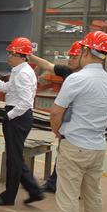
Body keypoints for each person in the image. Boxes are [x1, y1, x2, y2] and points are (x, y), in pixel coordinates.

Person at [40, 31, 107, 212]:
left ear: (86, 51)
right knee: (93, 195)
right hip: (98, 147)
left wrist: (57, 132)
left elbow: (55, 113)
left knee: (68, 196)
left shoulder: (77, 79)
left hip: (75, 146)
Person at [0, 37, 44, 206]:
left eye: (13, 54)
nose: (9, 56)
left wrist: (10, 115)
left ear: (23, 57)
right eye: (9, 53)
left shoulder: (23, 74)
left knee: (13, 159)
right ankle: (34, 191)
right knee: (15, 156)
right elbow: (6, 88)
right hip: (18, 116)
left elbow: (26, 102)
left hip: (18, 117)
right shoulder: (19, 71)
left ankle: (8, 197)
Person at [29, 40, 82, 193]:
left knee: (75, 159)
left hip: (79, 124)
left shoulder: (86, 78)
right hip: (67, 122)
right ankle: (53, 183)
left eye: (74, 57)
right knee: (63, 153)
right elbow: (47, 65)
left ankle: (76, 188)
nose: (70, 60)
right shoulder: (67, 72)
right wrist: (30, 55)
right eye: (69, 56)